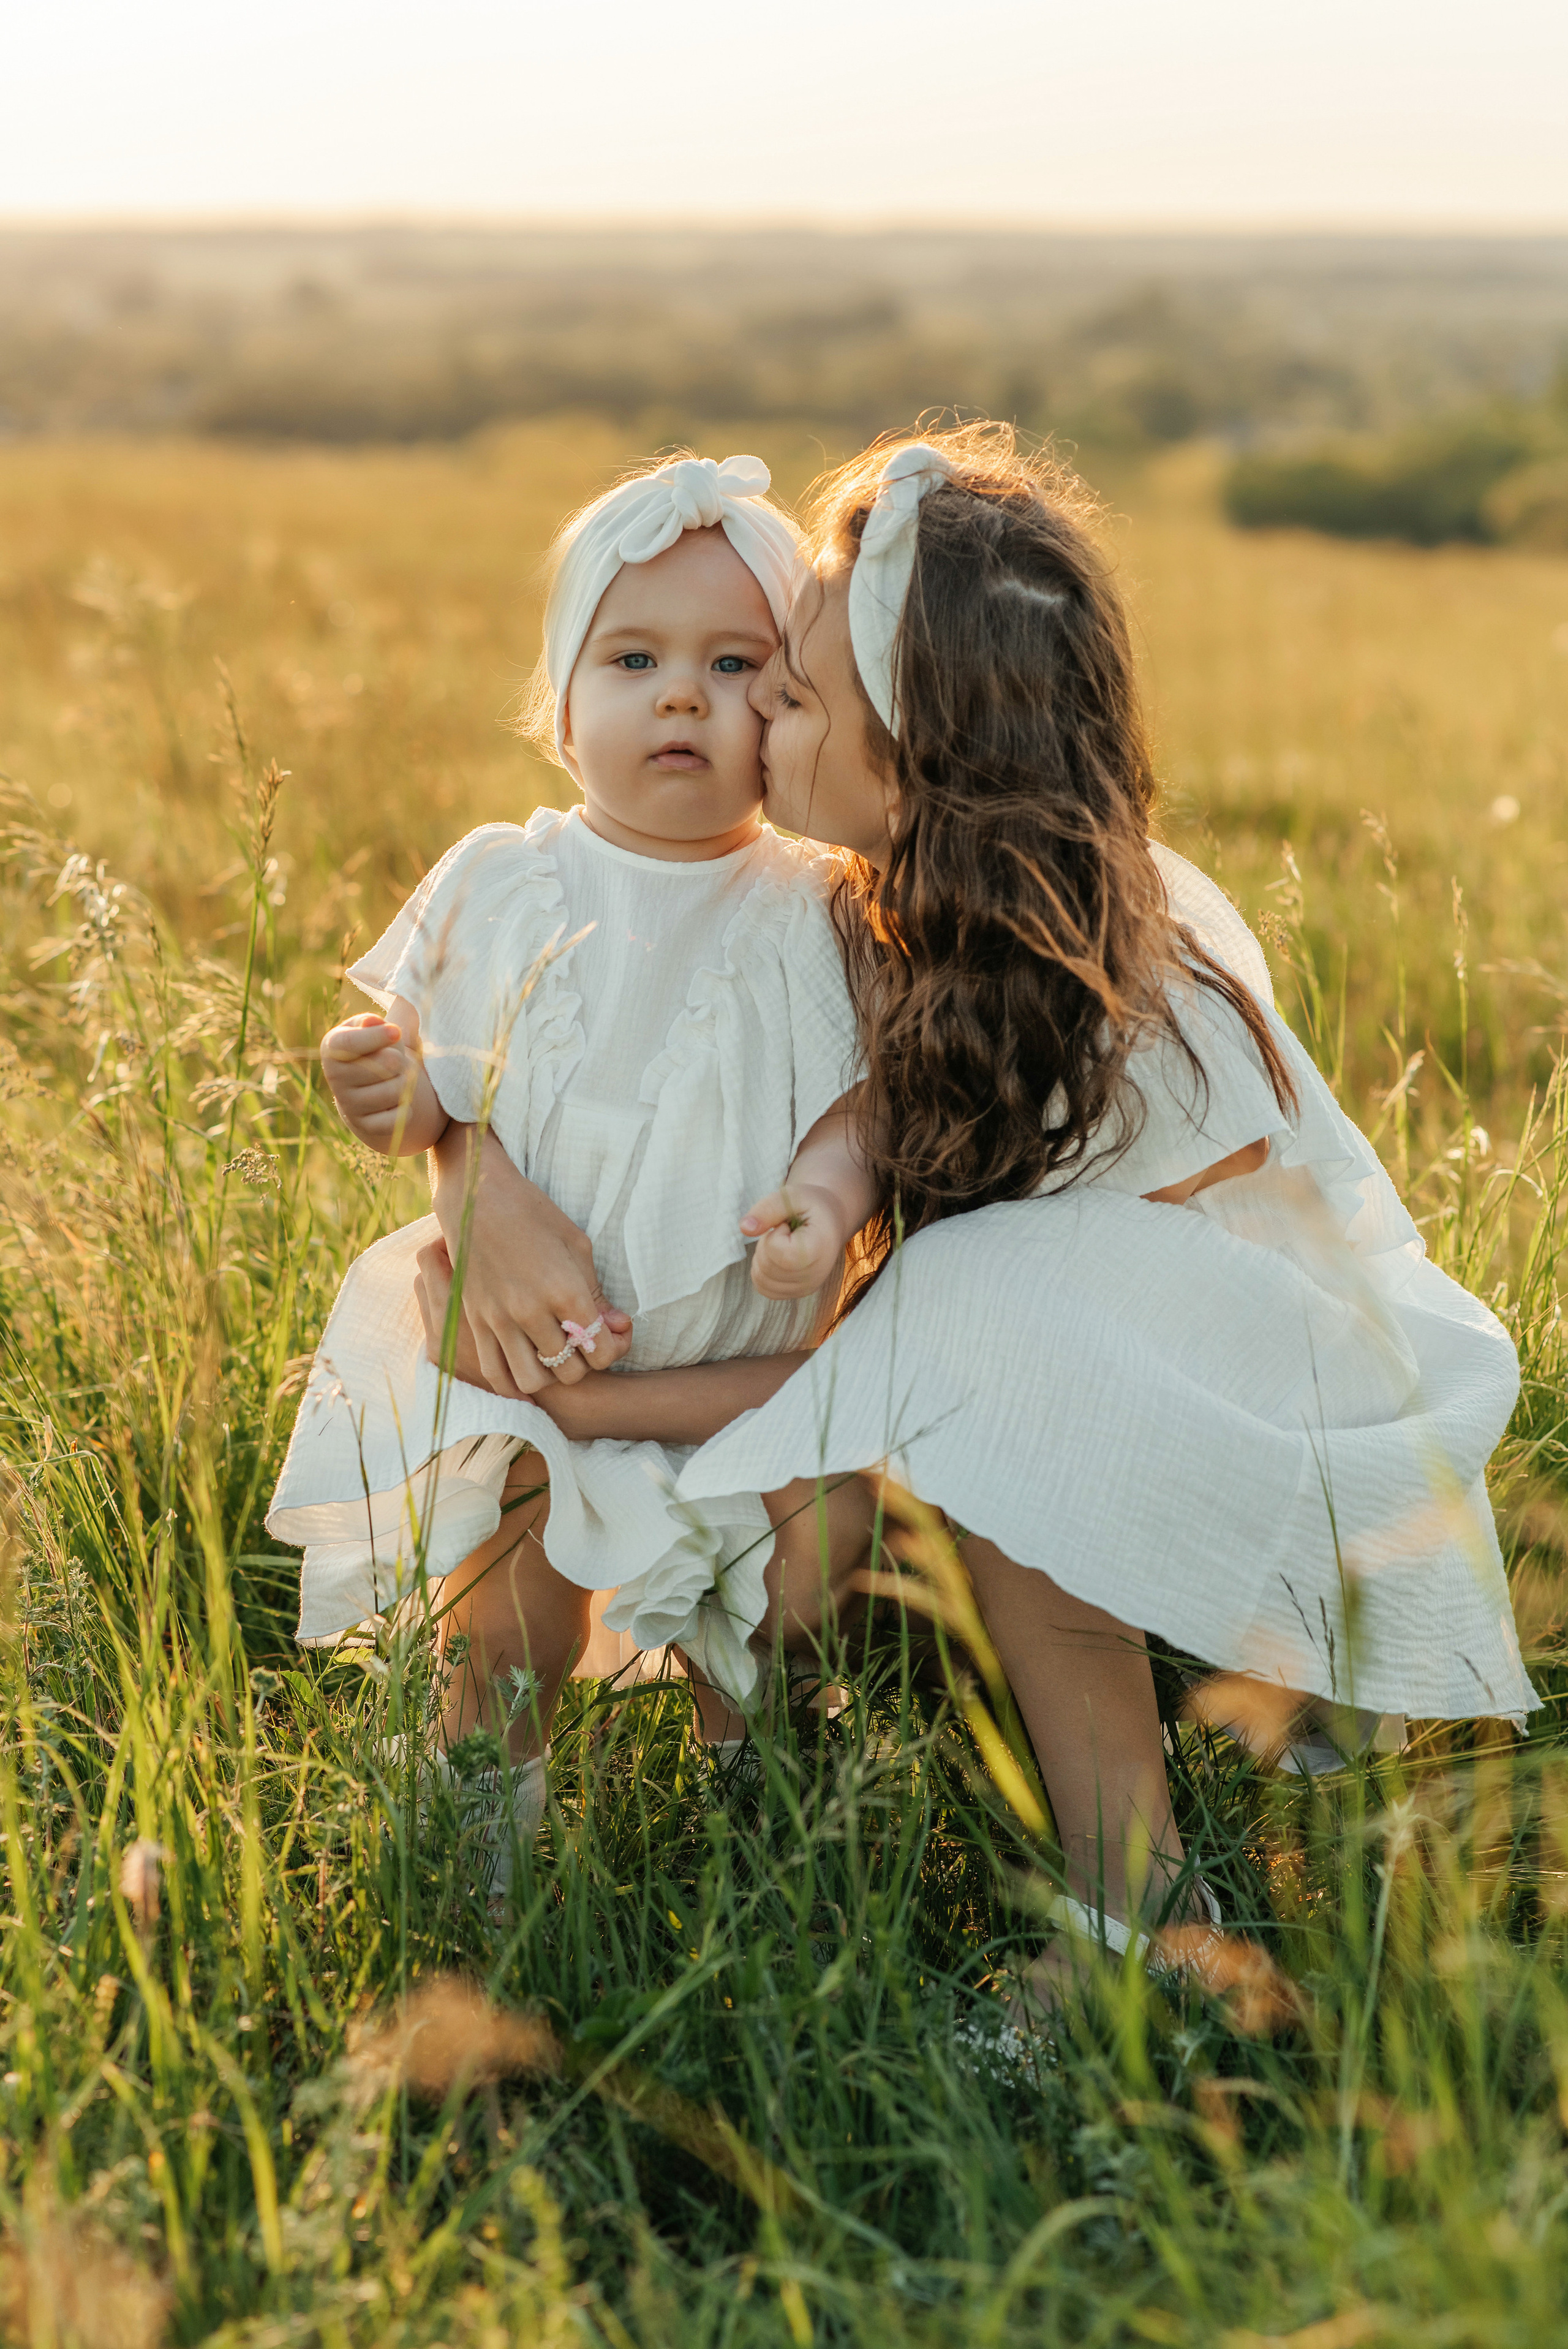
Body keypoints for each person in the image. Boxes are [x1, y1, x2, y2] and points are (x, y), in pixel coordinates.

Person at [414, 425, 1535, 1972]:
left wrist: (590, 1406)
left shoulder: (1111, 989)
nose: (746, 715)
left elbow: (917, 1356)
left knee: (988, 1327)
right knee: (908, 1425)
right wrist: (475, 1189)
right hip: (1064, 1434)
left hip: (1277, 1469)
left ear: (915, 756)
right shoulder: (869, 919)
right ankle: (779, 1753)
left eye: (788, 692)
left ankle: (1135, 1912)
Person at [266, 452, 878, 1867]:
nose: (680, 698)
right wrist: (379, 1087)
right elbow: (431, 1093)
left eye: (734, 665)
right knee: (505, 1623)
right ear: (557, 705)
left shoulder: (820, 909)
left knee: (785, 1601)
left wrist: (826, 1191)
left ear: (796, 706)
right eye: (633, 660)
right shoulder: (501, 879)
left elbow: (866, 1104)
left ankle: (761, 1831)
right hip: (527, 1370)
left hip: (739, 1367)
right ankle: (482, 1845)